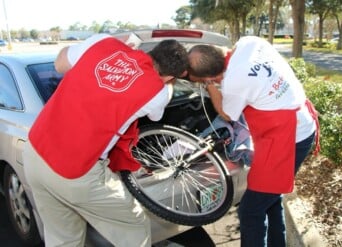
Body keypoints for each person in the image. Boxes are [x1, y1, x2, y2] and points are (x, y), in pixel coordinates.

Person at [22, 33, 188, 247]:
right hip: (74, 171)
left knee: (63, 238)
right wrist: (169, 84)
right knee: (134, 228)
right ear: (170, 77)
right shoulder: (158, 91)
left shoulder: (104, 42)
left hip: (36, 151)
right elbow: (156, 115)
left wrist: (118, 43)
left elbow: (60, 64)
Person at [187, 36, 320, 247]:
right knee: (270, 199)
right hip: (299, 124)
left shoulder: (233, 83)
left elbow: (226, 114)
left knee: (250, 210)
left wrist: (210, 85)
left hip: (289, 137)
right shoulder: (250, 43)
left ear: (210, 76)